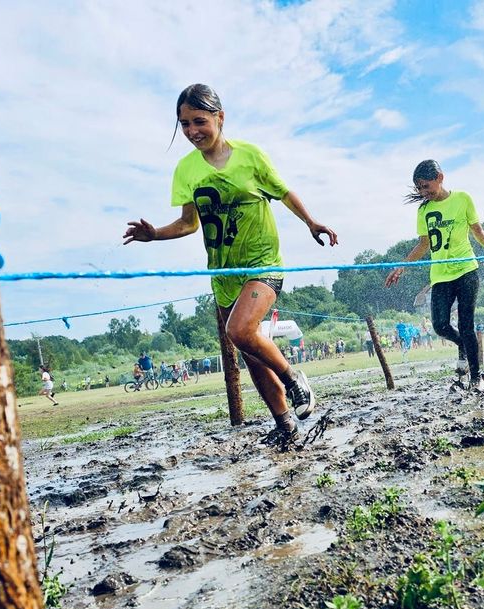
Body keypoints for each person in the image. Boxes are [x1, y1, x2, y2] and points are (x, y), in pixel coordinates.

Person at [123, 84, 337, 449]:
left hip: (262, 262)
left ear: (220, 118)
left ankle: (294, 379)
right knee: (251, 355)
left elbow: (283, 192)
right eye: (185, 124)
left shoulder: (250, 156)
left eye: (200, 121)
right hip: (222, 273)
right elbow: (190, 224)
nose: (193, 132)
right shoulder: (185, 170)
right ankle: (285, 426)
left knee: (240, 330)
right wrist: (155, 234)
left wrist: (311, 222)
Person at [384, 159, 484, 391]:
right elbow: (423, 244)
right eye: (420, 189)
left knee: (467, 326)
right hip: (441, 275)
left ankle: (476, 377)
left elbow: (477, 229)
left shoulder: (462, 198)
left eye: (426, 186)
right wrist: (401, 266)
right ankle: (462, 347)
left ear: (440, 178)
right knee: (440, 325)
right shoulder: (424, 210)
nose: (424, 193)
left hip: (466, 271)